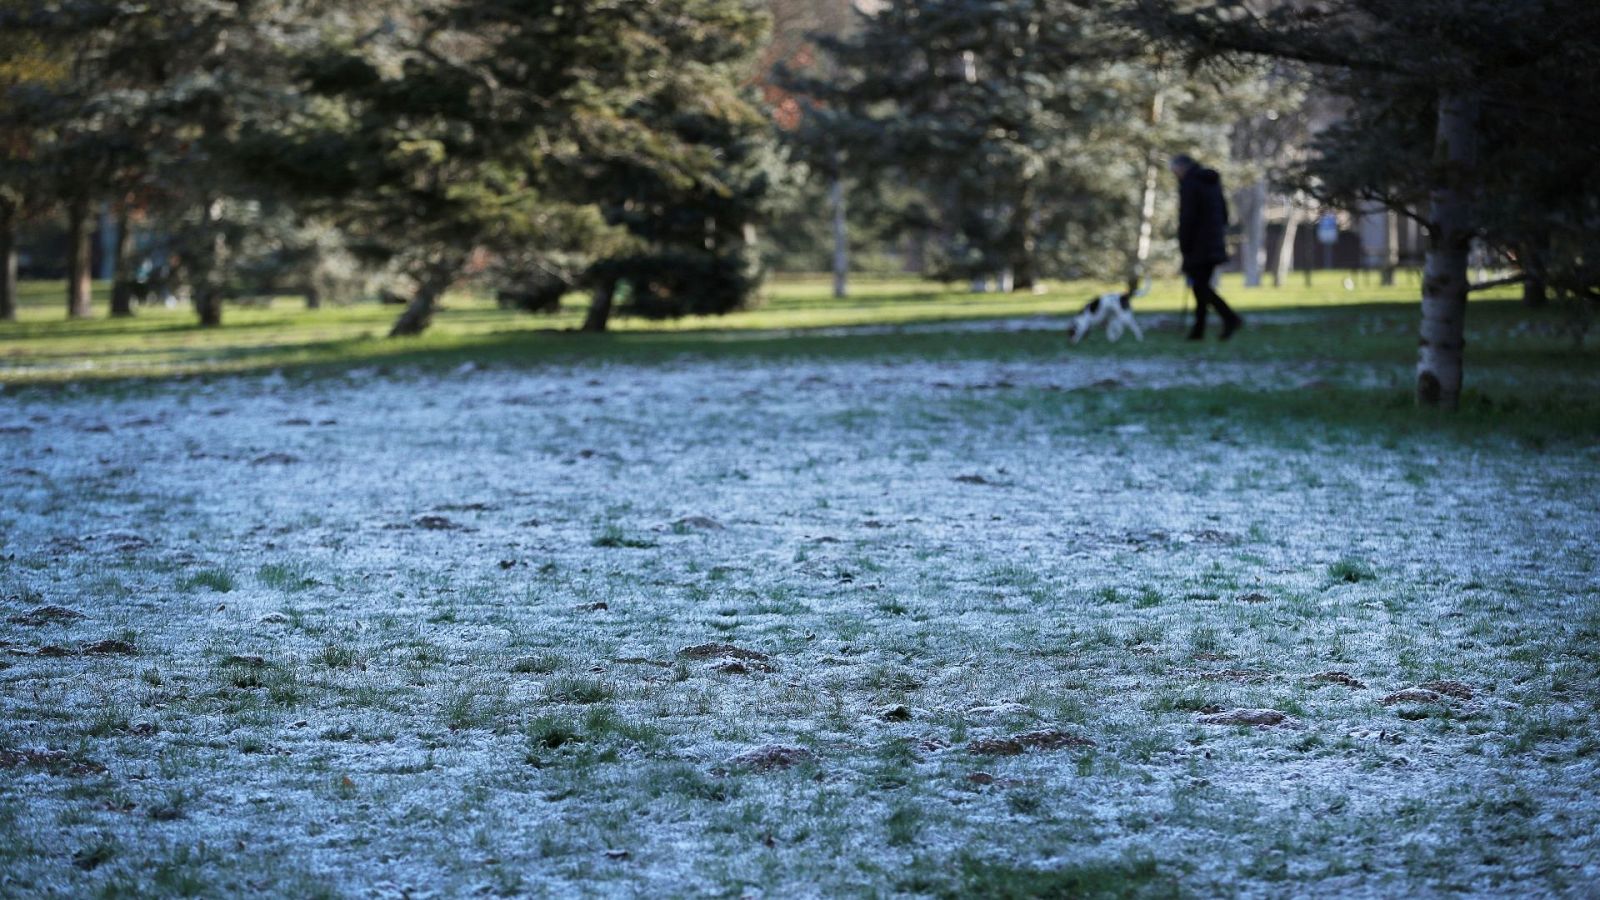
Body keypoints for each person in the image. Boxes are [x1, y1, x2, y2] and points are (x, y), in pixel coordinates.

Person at [1171, 154, 1243, 340]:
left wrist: (1184, 244)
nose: (1173, 173)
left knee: (1201, 287)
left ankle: (1230, 317)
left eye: (1174, 169)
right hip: (1214, 242)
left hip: (1197, 245)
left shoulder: (1190, 184)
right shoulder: (1212, 183)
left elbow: (1188, 218)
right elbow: (1225, 214)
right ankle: (1199, 330)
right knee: (1200, 287)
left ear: (1182, 167)